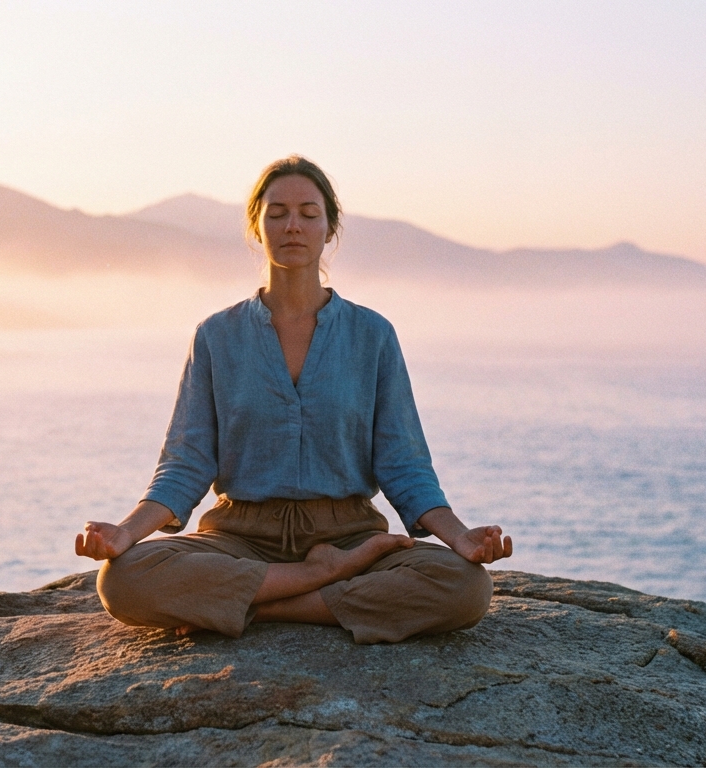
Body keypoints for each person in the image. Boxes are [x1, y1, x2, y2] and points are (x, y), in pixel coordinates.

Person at [75, 156, 511, 643]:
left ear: (330, 228)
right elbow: (187, 462)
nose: (293, 226)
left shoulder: (373, 335)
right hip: (239, 538)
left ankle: (256, 607)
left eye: (308, 212)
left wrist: (461, 536)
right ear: (256, 226)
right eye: (277, 212)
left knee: (466, 586)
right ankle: (316, 581)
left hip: (350, 534)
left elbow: (403, 464)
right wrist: (126, 533)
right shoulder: (217, 336)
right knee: (122, 578)